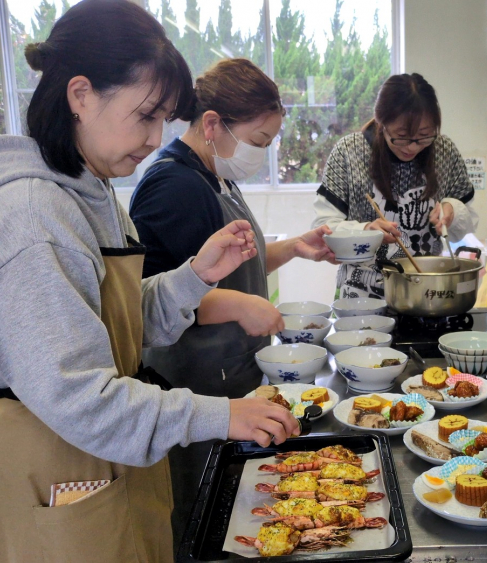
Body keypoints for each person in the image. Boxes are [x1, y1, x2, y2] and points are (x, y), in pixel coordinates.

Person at [0, 2, 298, 561]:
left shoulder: (88, 191)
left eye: (164, 117)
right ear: (81, 95)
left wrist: (193, 278)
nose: (157, 135)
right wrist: (220, 413)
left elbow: (119, 320)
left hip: (105, 456)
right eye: (145, 115)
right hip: (55, 467)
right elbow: (81, 396)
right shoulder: (31, 215)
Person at [129, 57, 334, 553]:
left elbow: (235, 262)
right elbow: (151, 297)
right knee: (199, 514)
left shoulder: (215, 175)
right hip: (194, 384)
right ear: (214, 123)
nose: (260, 155)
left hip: (232, 375)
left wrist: (294, 248)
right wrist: (242, 306)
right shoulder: (172, 185)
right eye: (259, 141)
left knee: (236, 505)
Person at [312, 73, 479, 298]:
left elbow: (468, 220)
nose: (412, 147)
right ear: (382, 123)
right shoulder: (349, 152)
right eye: (401, 136)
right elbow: (324, 228)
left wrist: (453, 211)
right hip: (362, 295)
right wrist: (364, 231)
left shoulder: (444, 151)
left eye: (423, 136)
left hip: (427, 292)